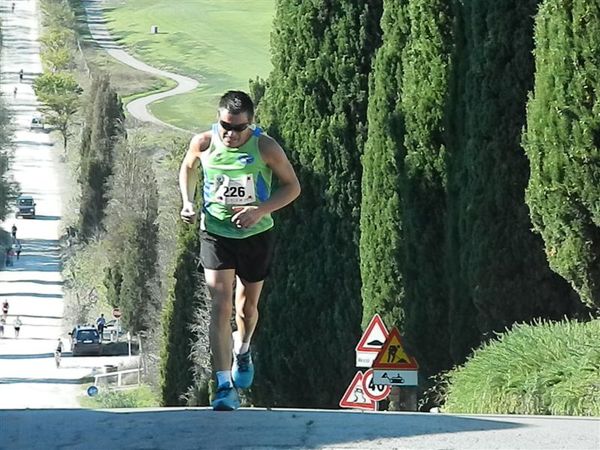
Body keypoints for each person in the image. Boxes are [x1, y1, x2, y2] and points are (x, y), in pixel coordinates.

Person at [179, 90, 300, 411]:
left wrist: (260, 210)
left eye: (239, 128)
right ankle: (222, 385)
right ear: (217, 119)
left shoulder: (265, 147)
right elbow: (188, 168)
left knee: (246, 308)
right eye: (225, 126)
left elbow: (292, 187)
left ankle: (242, 350)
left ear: (252, 123)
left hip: (255, 235)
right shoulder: (204, 142)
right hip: (216, 233)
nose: (231, 134)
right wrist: (188, 202)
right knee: (220, 303)